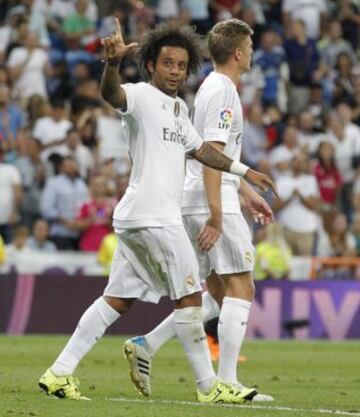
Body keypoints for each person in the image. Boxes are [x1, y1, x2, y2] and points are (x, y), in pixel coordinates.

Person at [38, 20, 276, 403]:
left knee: (117, 298)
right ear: (150, 65)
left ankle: (58, 373)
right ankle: (209, 387)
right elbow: (113, 95)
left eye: (181, 66)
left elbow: (203, 151)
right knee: (189, 298)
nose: (175, 72)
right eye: (167, 64)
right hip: (155, 217)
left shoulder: (180, 108)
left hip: (140, 217)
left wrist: (244, 172)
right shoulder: (141, 97)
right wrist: (112, 64)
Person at [124, 19, 274, 401]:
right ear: (239, 53)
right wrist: (218, 212)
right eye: (250, 46)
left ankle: (148, 343)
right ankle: (227, 382)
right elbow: (212, 155)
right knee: (242, 286)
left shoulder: (213, 87)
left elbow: (213, 152)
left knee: (215, 292)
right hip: (210, 199)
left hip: (204, 195)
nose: (252, 53)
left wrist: (244, 191)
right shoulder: (223, 91)